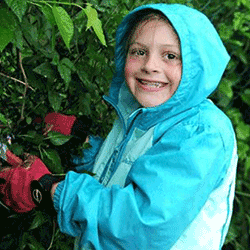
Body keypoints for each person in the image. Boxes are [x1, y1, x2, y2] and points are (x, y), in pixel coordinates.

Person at [0, 3, 238, 250]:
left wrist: (49, 189)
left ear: (196, 66)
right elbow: (132, 173)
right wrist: (84, 148)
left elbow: (140, 224)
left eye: (170, 56)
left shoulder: (202, 133)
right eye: (138, 52)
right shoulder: (142, 113)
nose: (150, 66)